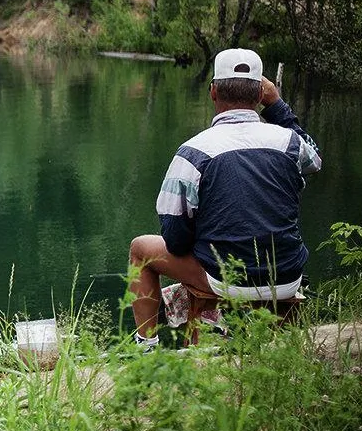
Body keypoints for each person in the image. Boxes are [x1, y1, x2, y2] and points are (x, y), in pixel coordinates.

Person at [126, 47, 322, 350]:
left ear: (213, 92)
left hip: (226, 280)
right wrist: (277, 105)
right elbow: (315, 161)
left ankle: (145, 345)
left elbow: (175, 238)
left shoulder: (193, 152)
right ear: (260, 94)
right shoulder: (290, 143)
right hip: (287, 276)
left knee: (141, 250)